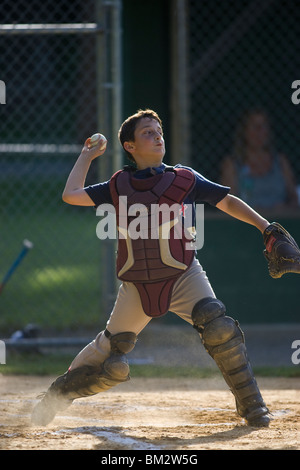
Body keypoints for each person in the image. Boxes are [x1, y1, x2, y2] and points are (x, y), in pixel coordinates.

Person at [32, 109, 272, 428]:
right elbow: (70, 195)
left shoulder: (183, 178)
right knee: (110, 354)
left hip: (183, 274)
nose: (157, 135)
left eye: (159, 131)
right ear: (129, 146)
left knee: (219, 327)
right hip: (138, 284)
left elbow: (226, 201)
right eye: (147, 132)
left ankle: (252, 405)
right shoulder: (119, 186)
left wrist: (266, 227)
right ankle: (55, 395)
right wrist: (87, 156)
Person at [220, 108, 298, 212]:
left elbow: (294, 198)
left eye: (263, 126)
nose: (259, 131)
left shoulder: (281, 162)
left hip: (279, 222)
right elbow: (227, 204)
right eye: (254, 126)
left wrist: (285, 209)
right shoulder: (232, 164)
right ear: (244, 131)